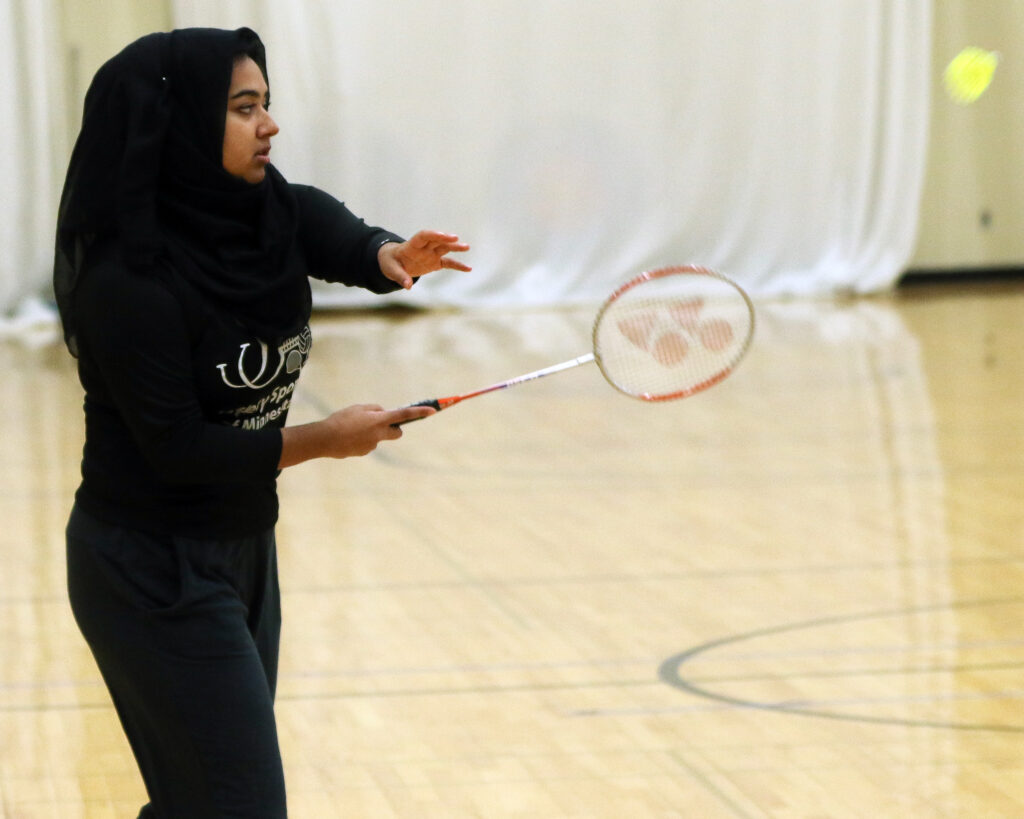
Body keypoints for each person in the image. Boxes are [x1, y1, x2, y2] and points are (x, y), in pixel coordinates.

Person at [54, 27, 470, 818]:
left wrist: (389, 255)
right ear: (177, 126)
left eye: (267, 104)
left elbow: (334, 231)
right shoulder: (127, 283)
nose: (269, 125)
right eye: (245, 108)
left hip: (243, 545)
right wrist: (326, 439)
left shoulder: (268, 214)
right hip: (148, 567)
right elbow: (178, 450)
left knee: (203, 802)